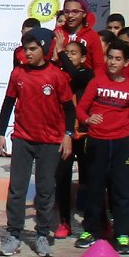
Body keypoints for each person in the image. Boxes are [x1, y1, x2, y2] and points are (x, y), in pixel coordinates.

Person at [0, 29, 74, 256]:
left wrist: (68, 134)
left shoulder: (56, 76)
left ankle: (42, 234)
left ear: (45, 49)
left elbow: (69, 108)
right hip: (22, 139)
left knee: (45, 189)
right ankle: (13, 234)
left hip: (50, 142)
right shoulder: (18, 73)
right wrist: (1, 133)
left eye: (33, 49)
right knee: (17, 188)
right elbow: (8, 103)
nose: (28, 53)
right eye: (25, 49)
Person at [74, 40, 129, 253]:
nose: (113, 62)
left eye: (118, 59)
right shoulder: (96, 82)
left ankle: (122, 235)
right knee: (94, 189)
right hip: (97, 142)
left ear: (125, 62)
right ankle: (91, 231)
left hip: (122, 144)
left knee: (122, 191)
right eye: (110, 57)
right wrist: (87, 119)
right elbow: (80, 109)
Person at [53, 37, 95, 240]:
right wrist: (56, 59)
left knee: (89, 179)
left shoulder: (87, 74)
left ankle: (92, 222)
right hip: (65, 134)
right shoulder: (60, 74)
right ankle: (64, 222)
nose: (69, 56)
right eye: (67, 52)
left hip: (85, 134)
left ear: (83, 58)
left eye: (73, 53)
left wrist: (61, 52)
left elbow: (75, 76)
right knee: (62, 177)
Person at [49, 0, 105, 70]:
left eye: (75, 12)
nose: (70, 15)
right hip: (60, 75)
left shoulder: (92, 35)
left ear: (84, 14)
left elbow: (98, 65)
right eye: (67, 12)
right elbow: (48, 59)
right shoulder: (58, 32)